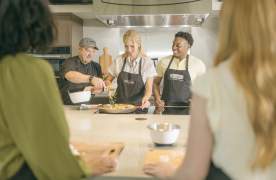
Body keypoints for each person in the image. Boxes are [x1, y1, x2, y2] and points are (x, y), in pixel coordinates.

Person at [144, 0, 276, 179]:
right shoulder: (166, 63)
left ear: (229, 25)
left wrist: (169, 172)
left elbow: (192, 173)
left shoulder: (212, 82)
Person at [0, 0, 117, 179]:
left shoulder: (95, 65)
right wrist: (84, 167)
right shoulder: (29, 70)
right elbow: (51, 147)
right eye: (88, 50)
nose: (91, 53)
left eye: (93, 50)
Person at [105, 30, 157, 109]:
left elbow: (149, 89)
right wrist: (108, 86)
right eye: (126, 46)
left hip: (139, 107)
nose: (129, 50)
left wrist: (146, 99)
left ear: (139, 45)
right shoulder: (119, 60)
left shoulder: (147, 63)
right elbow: (108, 79)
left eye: (132, 46)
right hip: (119, 108)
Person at [153, 31, 206, 107]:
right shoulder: (163, 61)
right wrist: (157, 98)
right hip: (166, 109)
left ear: (188, 46)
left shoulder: (198, 64)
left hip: (189, 110)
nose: (174, 47)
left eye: (178, 45)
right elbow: (155, 83)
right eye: (173, 44)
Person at [61, 37, 105, 104]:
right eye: (88, 50)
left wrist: (96, 89)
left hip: (89, 106)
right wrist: (91, 79)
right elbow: (69, 75)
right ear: (80, 50)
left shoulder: (96, 66)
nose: (90, 54)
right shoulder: (69, 62)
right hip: (69, 106)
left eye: (93, 51)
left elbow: (99, 88)